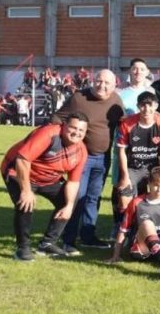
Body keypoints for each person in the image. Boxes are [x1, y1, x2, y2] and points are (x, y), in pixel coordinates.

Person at [51, 69, 125, 253]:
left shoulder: (116, 101)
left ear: (114, 85)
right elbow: (57, 118)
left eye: (107, 83)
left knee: (93, 198)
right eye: (99, 81)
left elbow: (124, 123)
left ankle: (87, 236)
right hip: (81, 157)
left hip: (103, 158)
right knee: (76, 197)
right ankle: (68, 240)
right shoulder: (79, 98)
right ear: (93, 80)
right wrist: (61, 143)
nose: (102, 85)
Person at [1, 113, 89, 260]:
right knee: (26, 204)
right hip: (18, 171)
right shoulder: (48, 134)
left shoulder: (81, 151)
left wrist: (68, 206)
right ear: (63, 126)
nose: (77, 133)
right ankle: (23, 248)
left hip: (48, 179)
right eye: (73, 127)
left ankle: (48, 244)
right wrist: (26, 190)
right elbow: (22, 160)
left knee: (69, 201)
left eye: (81, 130)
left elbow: (73, 181)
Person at [108, 167, 160, 277]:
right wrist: (116, 255)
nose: (159, 190)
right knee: (148, 224)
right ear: (149, 184)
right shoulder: (137, 202)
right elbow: (123, 229)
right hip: (143, 249)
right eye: (156, 185)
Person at [115, 91, 160, 214]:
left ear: (156, 106)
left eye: (150, 105)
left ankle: (153, 223)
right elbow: (121, 152)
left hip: (153, 168)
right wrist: (125, 176)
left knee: (158, 195)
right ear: (138, 106)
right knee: (124, 196)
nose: (146, 109)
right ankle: (123, 227)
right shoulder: (127, 124)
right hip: (133, 168)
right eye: (143, 105)